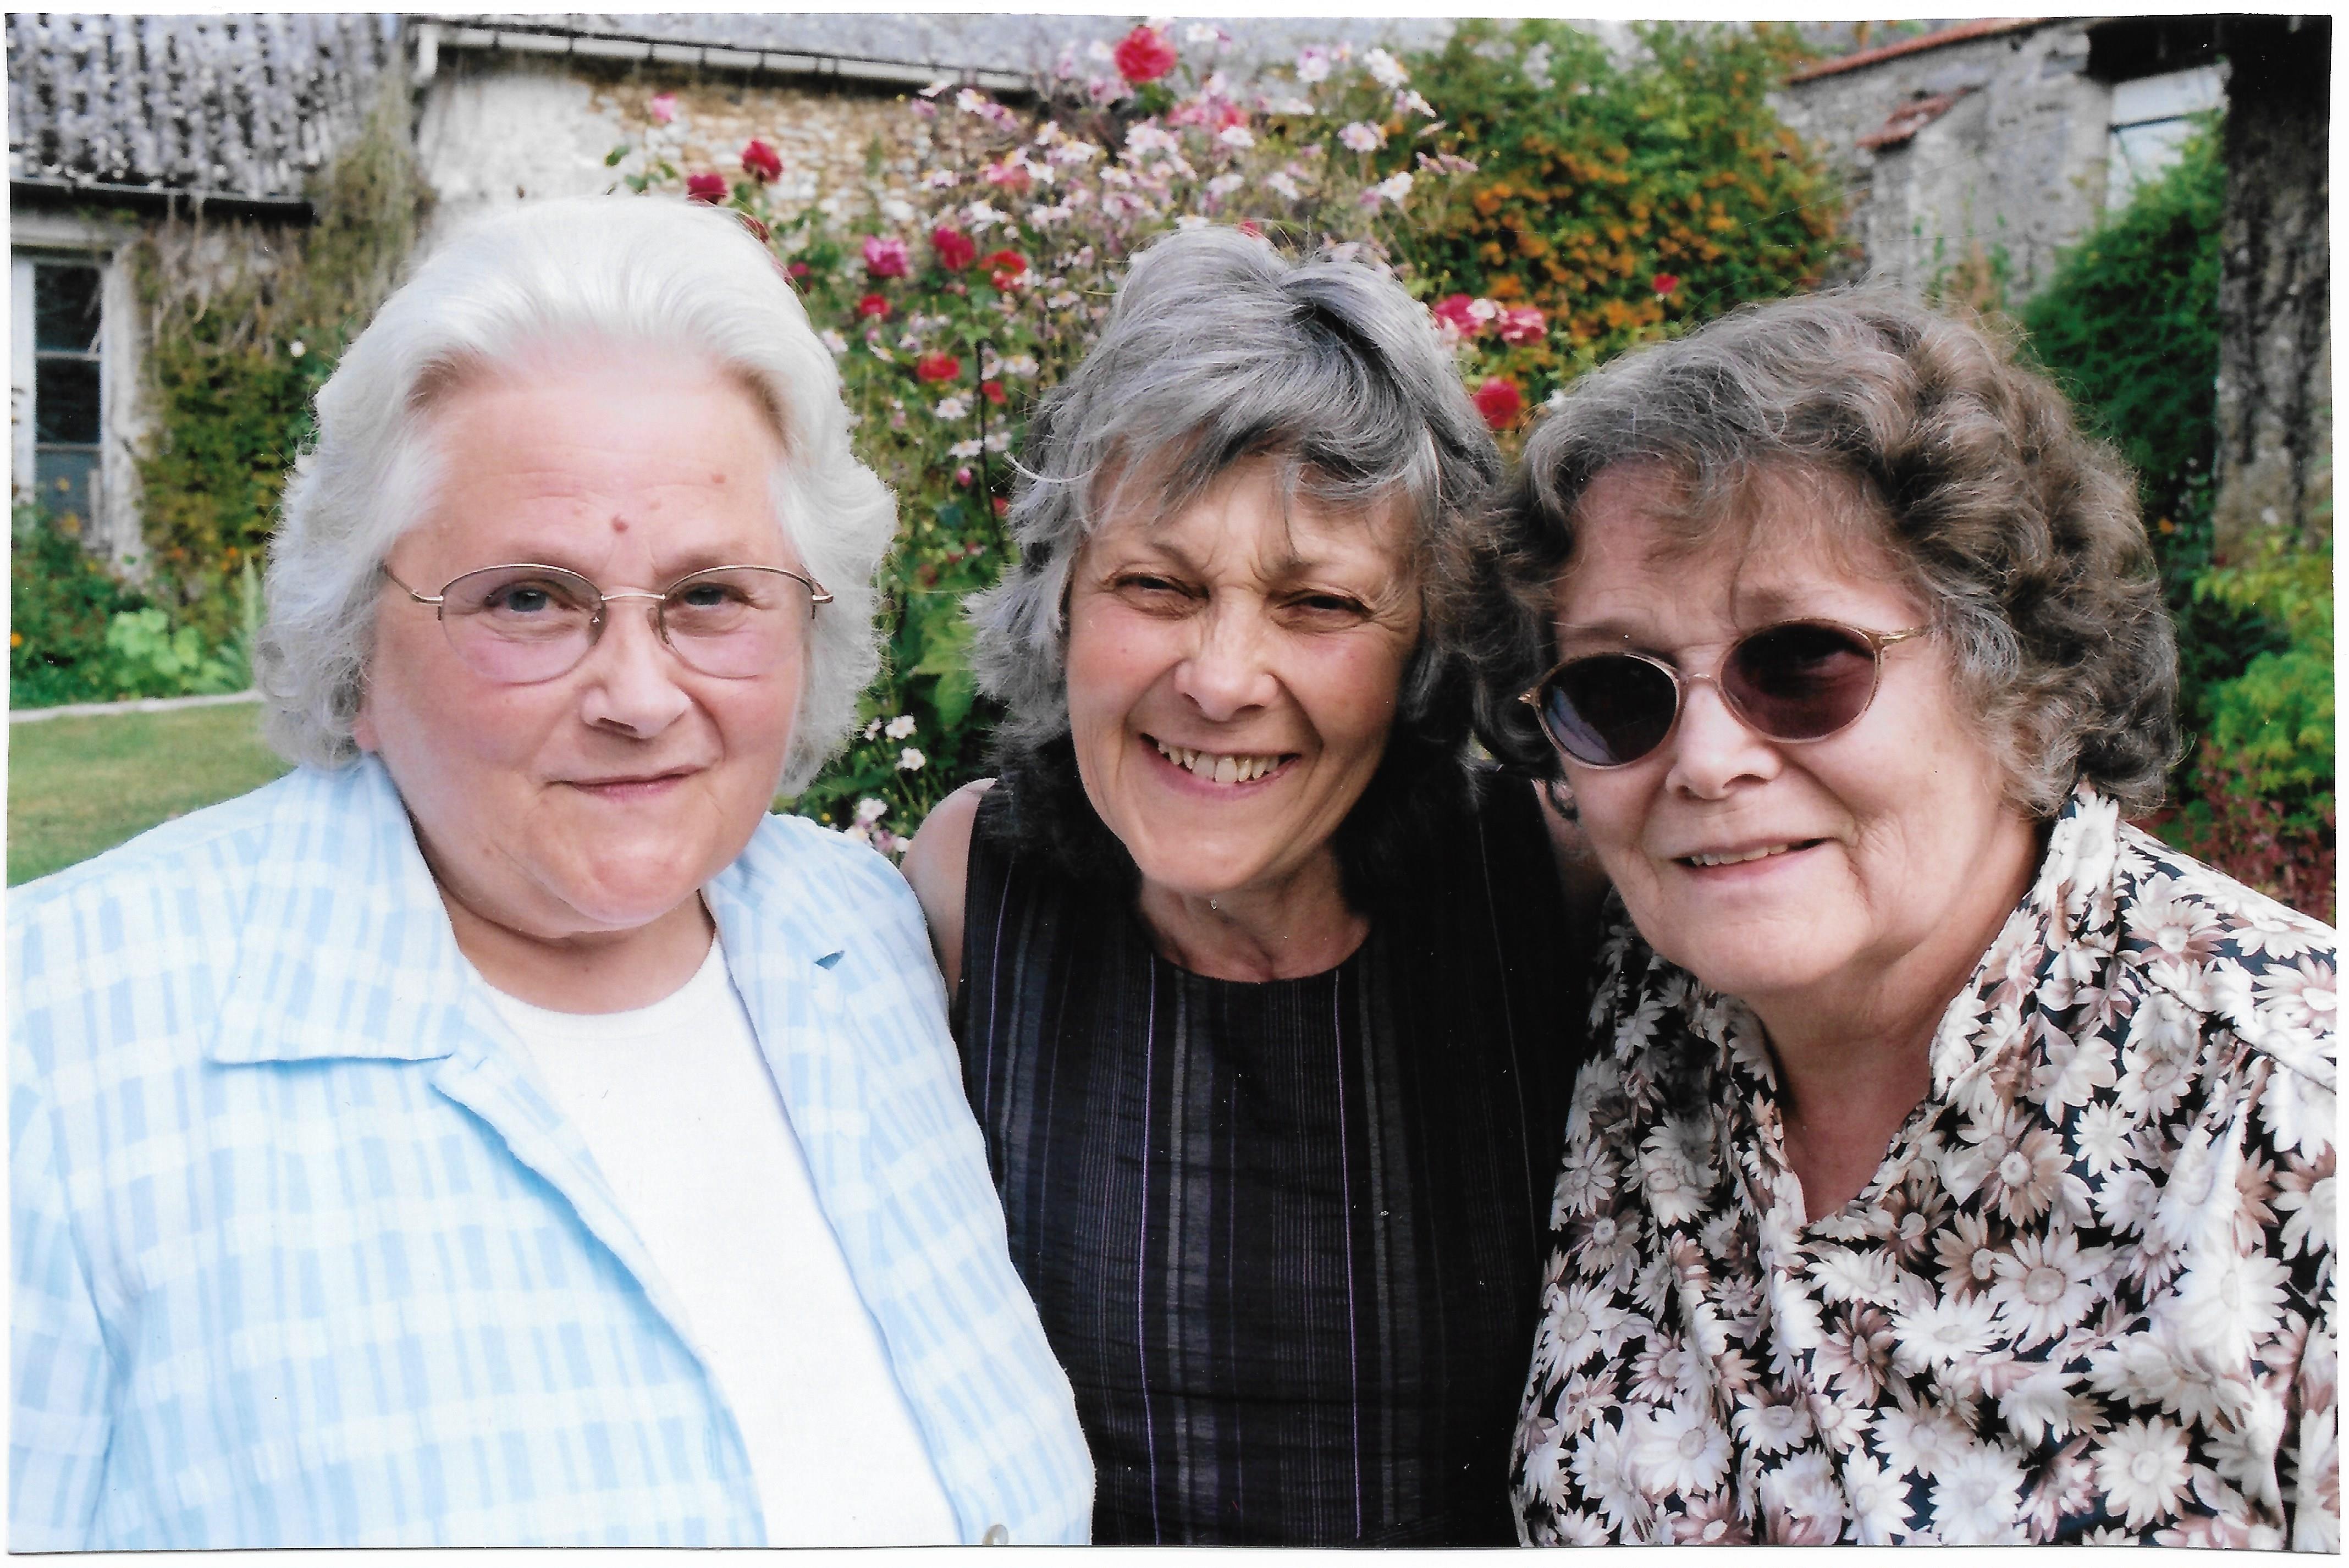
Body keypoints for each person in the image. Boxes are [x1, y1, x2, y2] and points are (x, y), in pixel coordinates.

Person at [9, 196, 1092, 1549]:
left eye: (711, 596)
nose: (638, 695)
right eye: (528, 598)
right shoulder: (55, 1046)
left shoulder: (858, 938)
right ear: (356, 643)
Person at [1466, 291, 2337, 1547]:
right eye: (1617, 689)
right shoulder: (1637, 1007)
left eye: (1803, 663)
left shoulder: (2290, 1121)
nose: (1706, 762)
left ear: (2026, 689)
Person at [897, 225, 1594, 1545]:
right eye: (1156, 585)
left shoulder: (1547, 887)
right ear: (1064, 601)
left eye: (1318, 605)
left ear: (1424, 648)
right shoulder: (967, 892)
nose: (1220, 679)